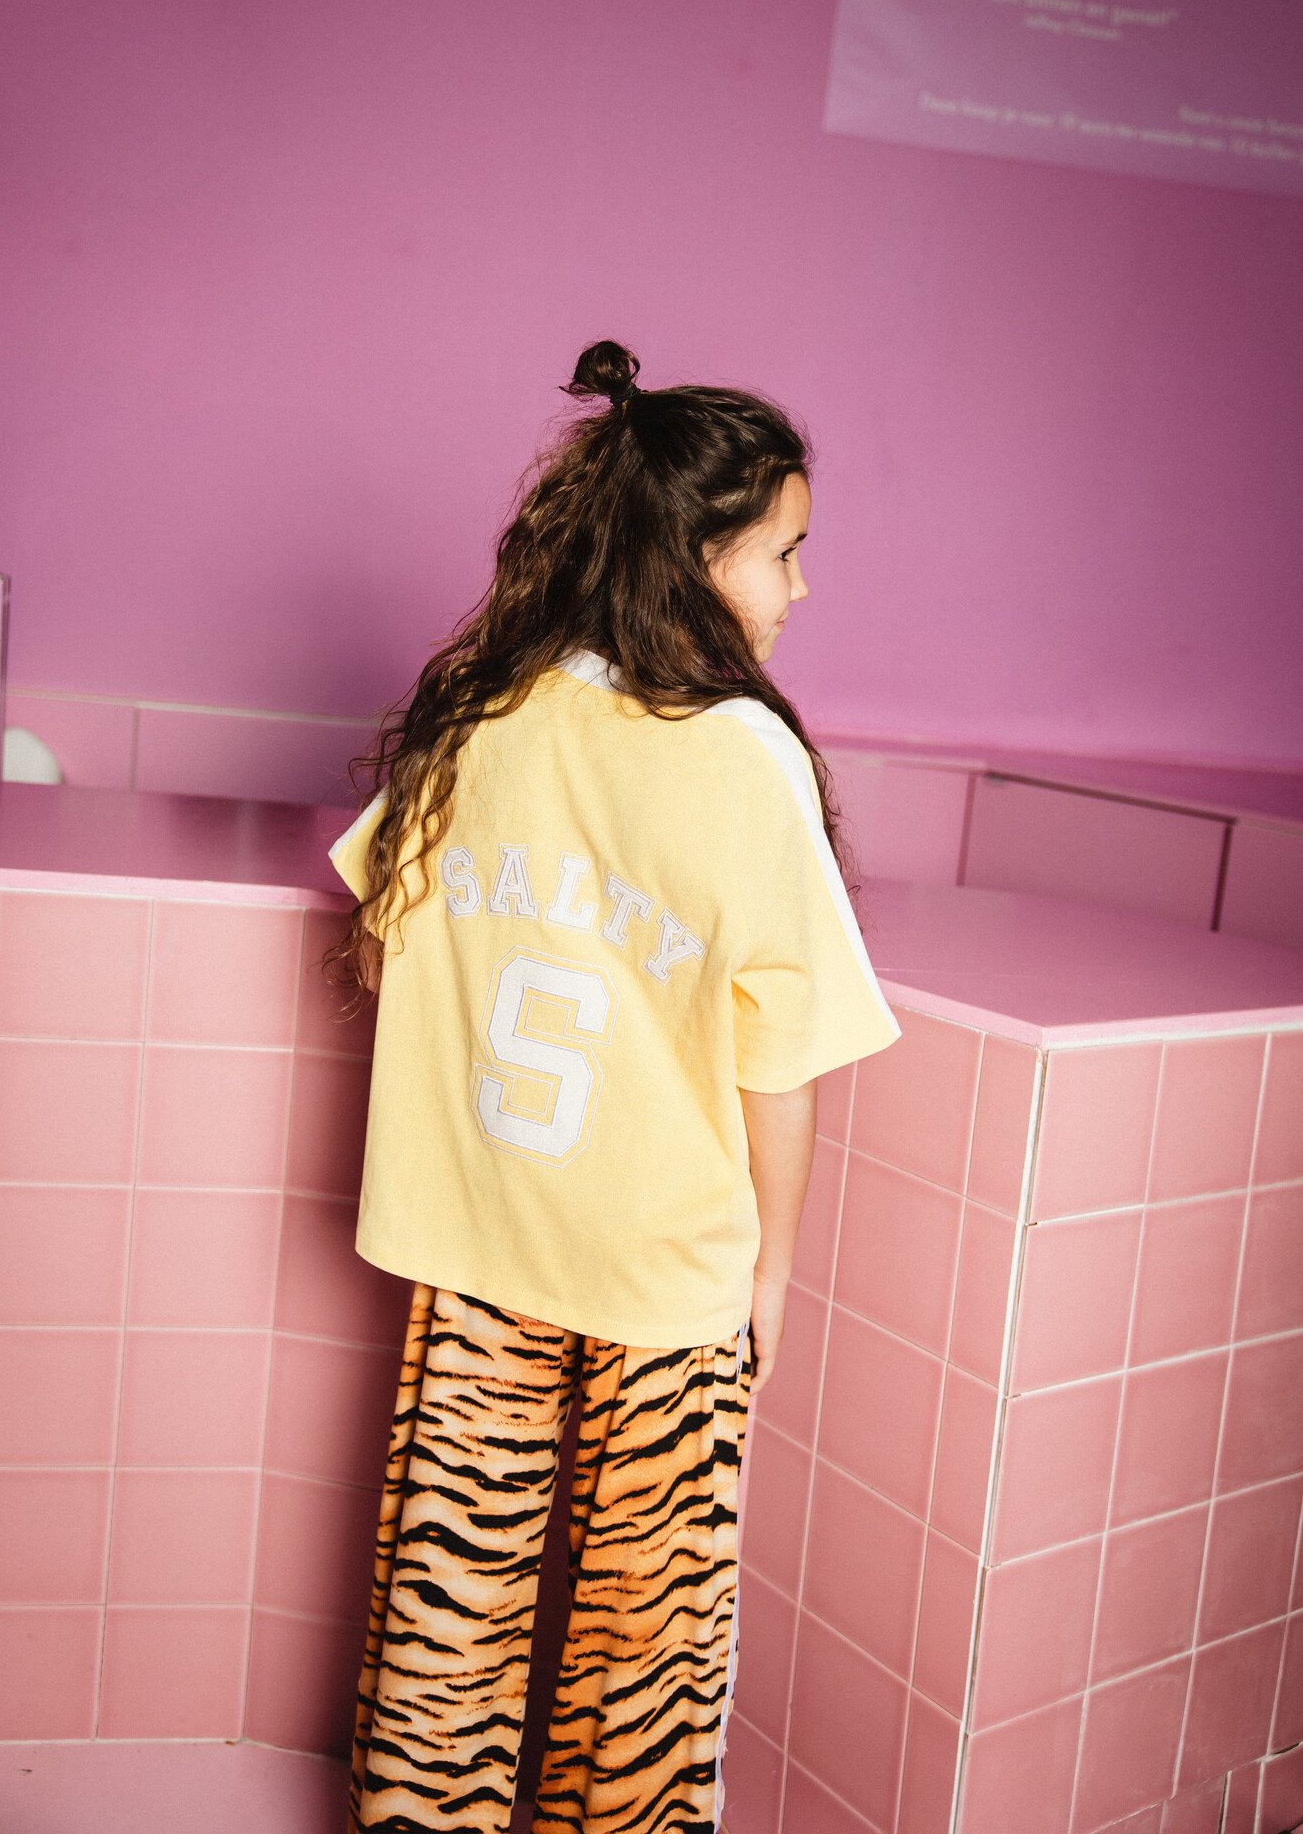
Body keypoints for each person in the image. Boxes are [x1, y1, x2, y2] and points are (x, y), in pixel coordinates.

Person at [323, 338, 902, 1834]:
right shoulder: (742, 756)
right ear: (700, 557)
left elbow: (390, 940)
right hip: (662, 1264)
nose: (800, 589)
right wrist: (773, 1272)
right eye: (784, 552)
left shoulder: (486, 713)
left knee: (448, 1604)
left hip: (480, 1235)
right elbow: (780, 1062)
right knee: (645, 1647)